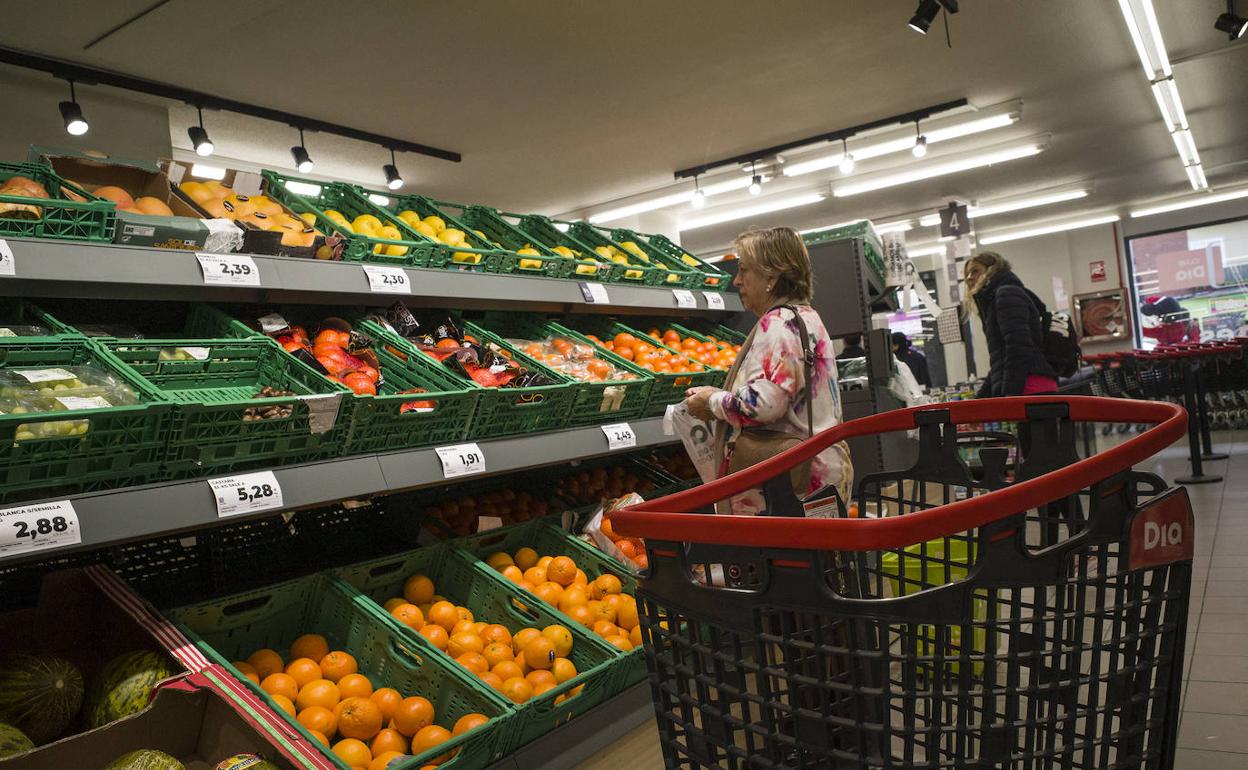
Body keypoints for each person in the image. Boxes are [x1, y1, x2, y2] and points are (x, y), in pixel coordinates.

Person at [684, 226, 852, 514]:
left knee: (786, 558)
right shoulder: (808, 317)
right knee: (821, 557)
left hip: (788, 483)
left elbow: (764, 405)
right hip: (820, 470)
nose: (737, 281)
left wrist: (711, 401)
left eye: (744, 270)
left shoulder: (777, 324)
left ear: (771, 278)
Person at [963, 251, 1057, 396]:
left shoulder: (1006, 294)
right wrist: (979, 401)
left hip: (1030, 387)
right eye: (967, 274)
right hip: (1028, 385)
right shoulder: (996, 298)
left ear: (992, 270)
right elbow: (1000, 361)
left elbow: (1018, 347)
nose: (969, 278)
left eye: (975, 271)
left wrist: (1010, 394)